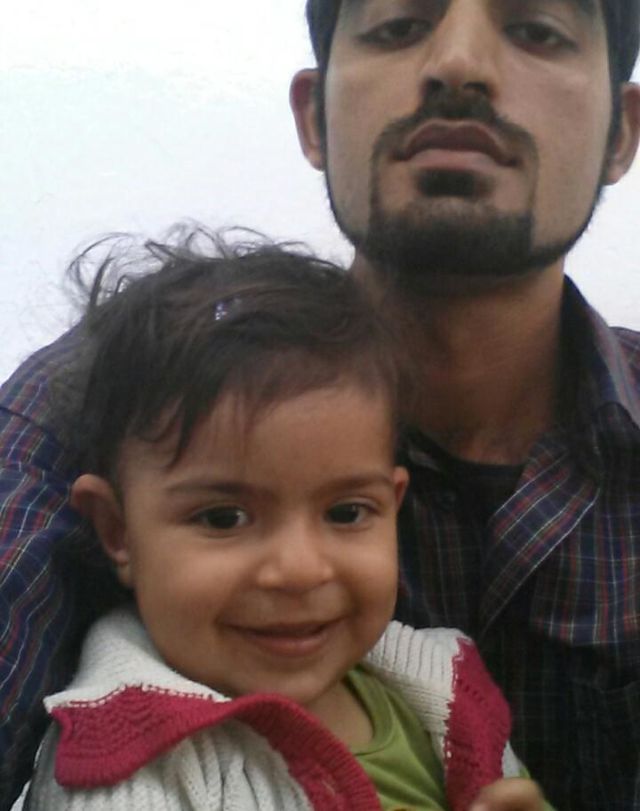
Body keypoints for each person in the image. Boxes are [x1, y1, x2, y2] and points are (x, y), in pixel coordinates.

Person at [0, 1, 638, 808]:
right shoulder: (109, 403)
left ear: (622, 132)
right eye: (399, 25)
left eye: (537, 30)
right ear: (313, 118)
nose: (460, 64)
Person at [12, 234, 548, 811]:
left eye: (346, 512)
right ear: (117, 531)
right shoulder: (121, 773)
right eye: (224, 518)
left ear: (393, 506)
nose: (299, 570)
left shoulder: (444, 691)